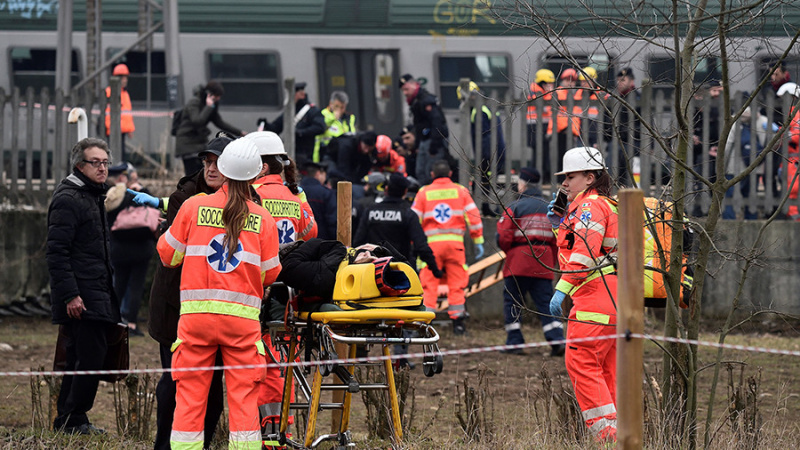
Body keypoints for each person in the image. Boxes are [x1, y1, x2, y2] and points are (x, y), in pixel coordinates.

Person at [157, 137, 282, 450]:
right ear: (255, 175)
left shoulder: (193, 206)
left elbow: (168, 255)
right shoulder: (263, 218)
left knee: (189, 399)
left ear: (223, 170)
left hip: (196, 321)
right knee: (244, 402)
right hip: (242, 325)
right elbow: (270, 274)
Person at [145, 136, 232, 450]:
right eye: (207, 161)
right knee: (174, 383)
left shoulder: (247, 202)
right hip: (177, 307)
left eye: (218, 162)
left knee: (213, 390)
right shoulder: (184, 198)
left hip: (221, 311)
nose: (211, 168)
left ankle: (203, 444)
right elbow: (172, 255)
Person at [47, 137, 118, 435]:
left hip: (96, 290)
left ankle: (69, 420)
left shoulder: (92, 195)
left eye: (105, 162)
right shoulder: (69, 198)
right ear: (79, 165)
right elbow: (56, 252)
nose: (102, 168)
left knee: (82, 356)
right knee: (90, 356)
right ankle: (74, 418)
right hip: (82, 295)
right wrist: (71, 295)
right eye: (95, 162)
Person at [547, 146, 618, 442]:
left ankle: (608, 437)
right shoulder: (603, 204)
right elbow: (582, 246)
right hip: (613, 299)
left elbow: (585, 253)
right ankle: (619, 436)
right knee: (607, 370)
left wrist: (562, 289)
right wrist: (560, 224)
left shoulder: (590, 207)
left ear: (590, 178)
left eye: (570, 177)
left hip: (594, 298)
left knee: (581, 361)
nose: (564, 183)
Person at [354, 173, 443, 367]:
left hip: (372, 274)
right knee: (403, 315)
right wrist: (435, 269)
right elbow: (421, 246)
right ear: (404, 192)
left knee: (363, 313)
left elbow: (358, 242)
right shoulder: (408, 214)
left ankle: (360, 354)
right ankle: (400, 358)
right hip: (400, 275)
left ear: (386, 189)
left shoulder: (370, 211)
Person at [496, 167, 565, 356]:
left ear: (523, 184)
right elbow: (558, 238)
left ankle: (515, 342)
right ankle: (557, 340)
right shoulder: (550, 207)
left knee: (513, 302)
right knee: (546, 303)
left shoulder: (515, 207)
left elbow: (503, 237)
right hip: (544, 262)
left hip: (518, 262)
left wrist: (511, 251)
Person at [411, 159, 484, 334]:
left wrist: (414, 243)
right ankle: (458, 324)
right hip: (455, 246)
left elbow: (413, 220)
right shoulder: (461, 191)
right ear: (450, 174)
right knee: (456, 284)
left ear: (432, 174)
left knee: (428, 284)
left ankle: (425, 324)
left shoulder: (423, 193)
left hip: (431, 247)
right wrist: (478, 240)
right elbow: (474, 216)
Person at [106, 163, 156, 337]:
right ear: (123, 177)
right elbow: (153, 207)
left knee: (117, 285)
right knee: (136, 286)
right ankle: (132, 324)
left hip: (119, 249)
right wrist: (142, 190)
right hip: (141, 249)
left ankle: (113, 321)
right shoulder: (136, 194)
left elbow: (108, 218)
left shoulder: (110, 195)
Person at [175, 80, 246, 176]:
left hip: (199, 143)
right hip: (187, 144)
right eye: (217, 96)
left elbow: (219, 122)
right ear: (209, 94)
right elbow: (197, 121)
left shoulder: (210, 106)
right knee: (193, 175)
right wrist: (208, 106)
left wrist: (240, 132)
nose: (218, 98)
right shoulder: (194, 102)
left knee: (201, 175)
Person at [457, 81, 507, 216]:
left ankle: (486, 208)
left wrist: (484, 158)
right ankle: (487, 208)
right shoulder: (486, 108)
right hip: (495, 151)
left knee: (485, 181)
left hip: (488, 154)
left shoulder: (479, 112)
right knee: (487, 181)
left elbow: (484, 137)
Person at [399, 74, 450, 185]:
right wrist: (417, 144)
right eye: (403, 90)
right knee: (420, 172)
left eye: (406, 89)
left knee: (430, 173)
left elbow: (437, 122)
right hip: (424, 141)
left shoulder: (426, 100)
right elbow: (419, 126)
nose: (405, 93)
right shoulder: (416, 101)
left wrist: (434, 145)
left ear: (414, 85)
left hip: (432, 141)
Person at [261, 81, 326, 167]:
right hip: (290, 153)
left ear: (301, 94)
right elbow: (276, 127)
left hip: (306, 154)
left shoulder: (312, 111)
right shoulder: (290, 111)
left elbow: (320, 127)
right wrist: (266, 124)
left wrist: (301, 132)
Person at [604, 67, 640, 185]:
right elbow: (606, 121)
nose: (619, 83)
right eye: (618, 80)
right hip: (616, 141)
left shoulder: (639, 99)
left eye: (623, 80)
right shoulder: (613, 99)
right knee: (612, 159)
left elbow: (645, 123)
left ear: (631, 81)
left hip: (635, 142)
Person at [315, 90, 357, 165]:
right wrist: (333, 118)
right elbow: (322, 127)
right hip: (326, 151)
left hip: (343, 151)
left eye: (342, 107)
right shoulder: (323, 114)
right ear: (331, 104)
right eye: (336, 106)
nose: (339, 110)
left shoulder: (348, 118)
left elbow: (352, 133)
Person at [527, 69, 555, 180]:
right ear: (542, 83)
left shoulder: (538, 91)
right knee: (538, 152)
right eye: (549, 83)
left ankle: (541, 175)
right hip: (535, 126)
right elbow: (546, 108)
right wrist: (550, 93)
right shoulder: (535, 93)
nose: (551, 86)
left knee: (543, 152)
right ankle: (536, 176)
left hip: (541, 125)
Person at [104, 64, 135, 161]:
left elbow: (127, 113)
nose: (125, 80)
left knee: (121, 155)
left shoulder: (125, 94)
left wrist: (129, 129)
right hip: (113, 129)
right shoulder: (109, 92)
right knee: (113, 155)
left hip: (122, 129)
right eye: (123, 78)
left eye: (126, 78)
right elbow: (107, 112)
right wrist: (109, 127)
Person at [300, 162, 338, 240]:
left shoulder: (295, 191)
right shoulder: (326, 193)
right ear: (318, 173)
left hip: (299, 241)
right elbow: (332, 221)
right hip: (322, 241)